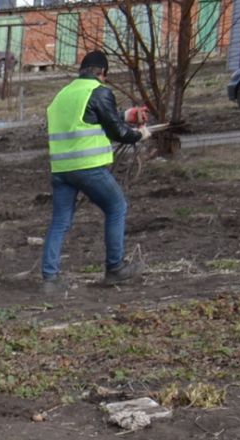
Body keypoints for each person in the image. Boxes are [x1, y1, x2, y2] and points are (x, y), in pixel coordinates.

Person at [40, 49, 152, 292]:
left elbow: (86, 118)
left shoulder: (64, 93)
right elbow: (118, 132)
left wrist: (126, 115)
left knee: (60, 221)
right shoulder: (99, 91)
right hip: (88, 167)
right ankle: (115, 269)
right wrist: (140, 134)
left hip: (61, 169)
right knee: (117, 207)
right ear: (103, 73)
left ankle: (49, 278)